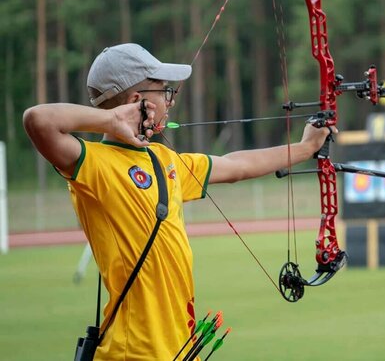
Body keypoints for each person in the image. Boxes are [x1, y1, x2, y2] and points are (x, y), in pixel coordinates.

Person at [23, 43, 334, 360]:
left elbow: (236, 165)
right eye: (163, 91)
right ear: (136, 102)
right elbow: (38, 120)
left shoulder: (164, 160)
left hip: (179, 350)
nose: (170, 100)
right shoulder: (95, 164)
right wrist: (112, 120)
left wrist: (305, 148)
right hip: (134, 352)